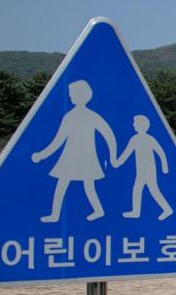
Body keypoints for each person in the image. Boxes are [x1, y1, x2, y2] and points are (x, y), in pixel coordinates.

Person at [32, 80, 117, 222]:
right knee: (66, 185)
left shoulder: (86, 116)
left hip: (85, 159)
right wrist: (42, 155)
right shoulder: (70, 117)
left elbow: (109, 135)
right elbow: (58, 141)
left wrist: (113, 157)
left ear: (81, 95)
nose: (70, 97)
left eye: (72, 94)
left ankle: (98, 211)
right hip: (70, 158)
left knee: (86, 186)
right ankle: (55, 215)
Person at [114, 114, 173, 220]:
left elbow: (160, 152)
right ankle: (136, 212)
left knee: (153, 190)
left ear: (142, 126)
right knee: (137, 189)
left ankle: (167, 209)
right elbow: (127, 153)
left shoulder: (149, 139)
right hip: (141, 171)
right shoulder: (134, 139)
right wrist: (118, 162)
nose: (133, 125)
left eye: (135, 123)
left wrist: (165, 166)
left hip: (150, 170)